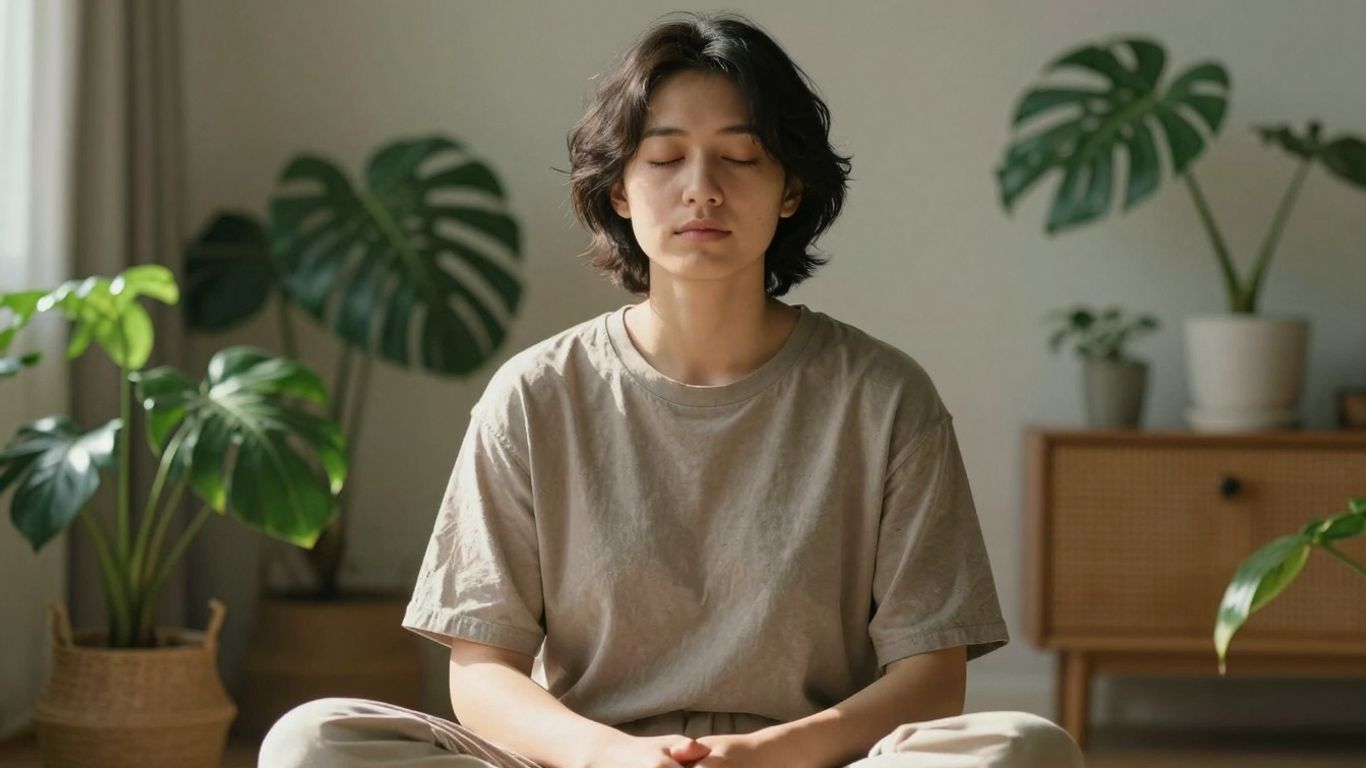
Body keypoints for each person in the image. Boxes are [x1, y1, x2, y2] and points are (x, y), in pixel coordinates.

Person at [260, 11, 1085, 768]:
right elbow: (481, 674)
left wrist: (769, 757)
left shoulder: (885, 397)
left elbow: (933, 679)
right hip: (586, 764)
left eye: (739, 156)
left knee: (1026, 748)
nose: (702, 187)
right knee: (312, 743)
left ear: (790, 189)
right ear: (619, 188)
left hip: (807, 765)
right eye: (664, 157)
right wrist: (612, 759)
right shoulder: (534, 396)